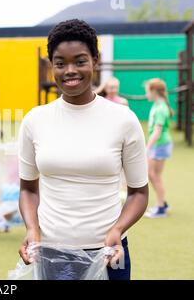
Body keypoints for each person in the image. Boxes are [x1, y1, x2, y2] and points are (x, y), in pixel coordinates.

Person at [18, 19, 149, 280]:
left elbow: (139, 193)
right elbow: (28, 189)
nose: (70, 70)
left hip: (108, 252)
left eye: (79, 61)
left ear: (95, 61)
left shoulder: (123, 119)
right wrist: (32, 229)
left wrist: (118, 229)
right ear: (51, 66)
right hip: (50, 251)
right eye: (60, 63)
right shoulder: (35, 120)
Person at [144, 78, 173, 218]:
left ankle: (161, 207)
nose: (146, 94)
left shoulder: (161, 108)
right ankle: (162, 203)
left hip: (160, 145)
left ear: (154, 91)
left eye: (147, 91)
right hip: (158, 145)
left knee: (155, 176)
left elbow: (157, 131)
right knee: (152, 175)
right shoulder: (158, 104)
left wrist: (147, 147)